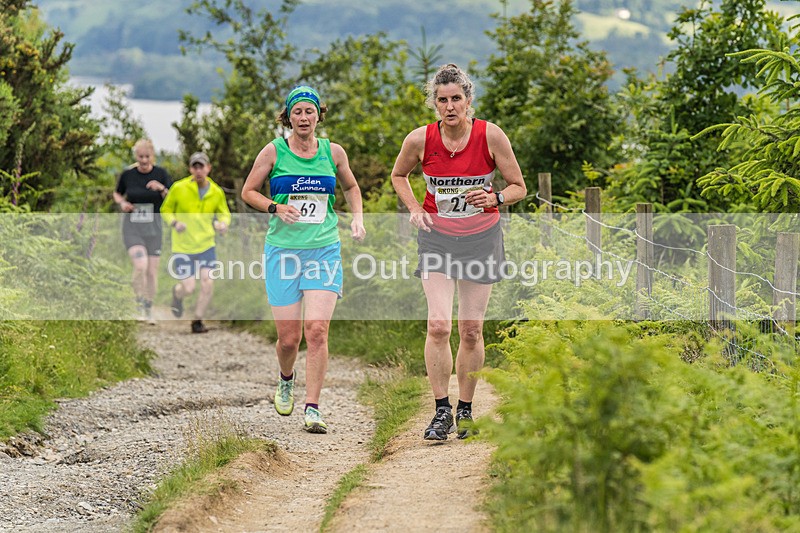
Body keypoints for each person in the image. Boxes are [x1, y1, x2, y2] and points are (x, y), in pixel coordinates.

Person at [390, 64, 527, 440]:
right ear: (434, 104)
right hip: (437, 238)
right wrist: (415, 208)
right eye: (442, 100)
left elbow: (519, 186)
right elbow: (398, 175)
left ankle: (466, 408)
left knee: (470, 330)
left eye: (456, 99)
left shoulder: (490, 136)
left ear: (468, 101)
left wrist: (495, 196)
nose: (450, 107)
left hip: (481, 238)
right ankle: (440, 411)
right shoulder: (420, 139)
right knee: (438, 324)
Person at [241, 85, 366, 434]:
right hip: (283, 251)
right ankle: (285, 378)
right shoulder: (274, 151)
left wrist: (357, 217)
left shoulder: (333, 152)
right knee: (288, 339)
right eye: (297, 112)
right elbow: (248, 191)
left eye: (310, 111)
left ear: (318, 115)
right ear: (288, 117)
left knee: (317, 330)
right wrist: (275, 207)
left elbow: (351, 188)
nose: (304, 118)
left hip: (323, 249)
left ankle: (312, 407)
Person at [160, 151, 231, 334]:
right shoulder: (178, 188)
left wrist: (223, 224)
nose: (198, 170)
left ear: (209, 168)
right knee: (189, 287)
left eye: (202, 166)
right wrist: (174, 222)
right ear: (190, 169)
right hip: (183, 246)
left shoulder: (216, 192)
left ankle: (197, 320)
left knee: (208, 283)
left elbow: (224, 212)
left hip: (206, 244)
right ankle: (177, 295)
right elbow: (165, 209)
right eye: (195, 166)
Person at [113, 139, 173, 324]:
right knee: (140, 266)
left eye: (147, 157)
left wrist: (161, 188)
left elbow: (173, 197)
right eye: (140, 157)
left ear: (152, 156)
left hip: (154, 229)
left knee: (152, 272)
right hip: (133, 228)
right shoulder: (128, 175)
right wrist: (123, 203)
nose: (144, 160)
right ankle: (138, 304)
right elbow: (117, 193)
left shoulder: (161, 174)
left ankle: (148, 307)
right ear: (136, 157)